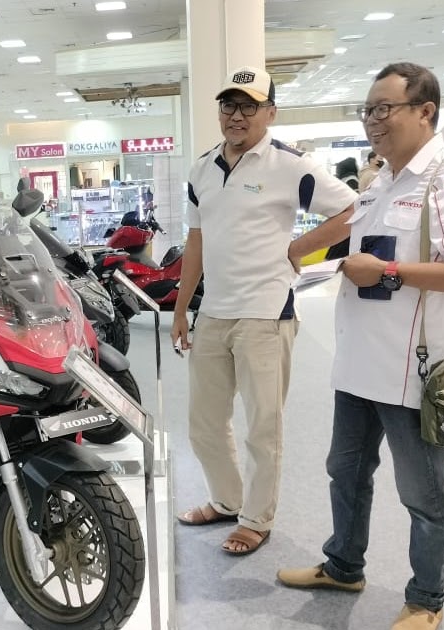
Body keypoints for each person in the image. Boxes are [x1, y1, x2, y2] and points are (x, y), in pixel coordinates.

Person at [277, 62, 444, 630]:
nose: (373, 120)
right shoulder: (382, 180)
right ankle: (343, 565)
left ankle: (427, 600)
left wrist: (389, 272)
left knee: (423, 494)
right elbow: (354, 232)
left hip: (415, 370)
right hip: (359, 363)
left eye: (384, 109)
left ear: (425, 111)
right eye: (367, 110)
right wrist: (301, 253)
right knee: (346, 470)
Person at [171, 65, 356, 555]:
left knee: (262, 427)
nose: (237, 115)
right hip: (214, 312)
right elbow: (196, 240)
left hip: (266, 313)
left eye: (249, 106)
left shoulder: (289, 165)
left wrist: (299, 249)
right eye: (229, 105)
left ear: (270, 113)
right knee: (204, 423)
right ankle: (226, 499)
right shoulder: (201, 169)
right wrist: (182, 307)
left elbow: (352, 210)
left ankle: (255, 518)